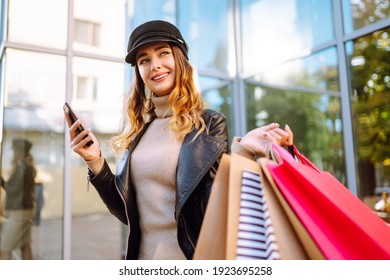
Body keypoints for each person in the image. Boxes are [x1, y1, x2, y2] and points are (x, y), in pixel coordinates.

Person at [64, 20, 293, 260]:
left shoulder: (209, 124)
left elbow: (213, 207)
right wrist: (95, 161)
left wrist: (242, 150)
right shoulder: (138, 131)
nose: (155, 66)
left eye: (163, 53)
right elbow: (125, 212)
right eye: (144, 60)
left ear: (180, 60)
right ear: (139, 72)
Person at [0, 138, 36, 260]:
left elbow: (12, 189)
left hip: (19, 213)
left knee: (4, 248)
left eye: (15, 150)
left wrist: (2, 182)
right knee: (25, 245)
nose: (13, 153)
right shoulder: (28, 167)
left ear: (19, 152)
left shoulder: (22, 168)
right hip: (26, 211)